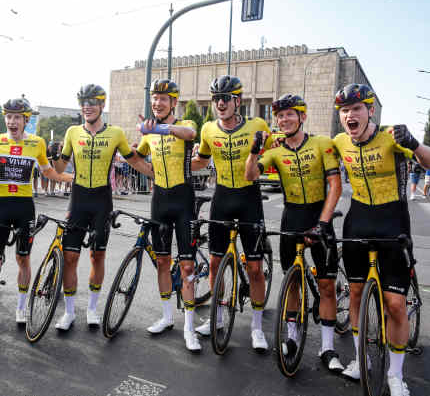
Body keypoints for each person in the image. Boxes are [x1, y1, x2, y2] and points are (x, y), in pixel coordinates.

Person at [332, 83, 430, 396]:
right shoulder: (339, 142)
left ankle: (395, 375)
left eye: (356, 108)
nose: (349, 115)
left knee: (395, 304)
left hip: (393, 223)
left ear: (370, 110)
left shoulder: (391, 137)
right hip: (358, 222)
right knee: (356, 293)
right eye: (344, 110)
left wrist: (414, 144)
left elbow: (428, 161)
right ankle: (361, 359)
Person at [245, 94, 344, 371]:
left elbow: (335, 186)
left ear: (303, 117)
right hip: (291, 218)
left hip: (319, 217)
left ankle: (327, 347)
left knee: (326, 285)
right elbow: (250, 175)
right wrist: (254, 150)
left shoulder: (322, 144)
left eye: (290, 114)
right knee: (292, 284)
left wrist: (323, 223)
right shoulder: (276, 151)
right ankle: (292, 337)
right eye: (280, 115)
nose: (284, 119)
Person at [52, 84, 153, 330]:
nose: (87, 107)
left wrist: (157, 176)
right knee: (70, 257)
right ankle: (69, 312)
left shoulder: (115, 133)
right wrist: (53, 156)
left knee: (97, 256)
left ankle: (92, 309)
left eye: (92, 102)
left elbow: (134, 161)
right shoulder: (73, 132)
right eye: (83, 102)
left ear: (102, 105)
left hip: (101, 201)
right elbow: (59, 169)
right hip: (78, 199)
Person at [0, 98, 73, 330]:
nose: (12, 121)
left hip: (24, 207)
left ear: (25, 120)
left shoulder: (37, 143)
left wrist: (74, 178)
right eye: (8, 117)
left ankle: (20, 308)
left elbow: (48, 172)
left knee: (23, 259)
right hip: (1, 206)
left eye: (17, 117)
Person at [191, 75, 272, 352]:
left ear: (238, 101)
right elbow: (201, 160)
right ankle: (218, 317)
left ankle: (257, 327)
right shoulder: (208, 129)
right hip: (223, 197)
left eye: (226, 98)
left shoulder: (257, 125)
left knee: (255, 268)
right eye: (216, 98)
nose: (220, 103)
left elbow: (276, 153)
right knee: (215, 263)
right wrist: (179, 161)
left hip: (249, 198)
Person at [136, 79, 200, 351]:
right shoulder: (148, 134)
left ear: (174, 102)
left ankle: (189, 328)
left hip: (184, 201)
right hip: (160, 201)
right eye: (154, 98)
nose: (157, 103)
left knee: (187, 267)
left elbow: (190, 134)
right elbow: (136, 157)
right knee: (162, 262)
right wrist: (148, 170)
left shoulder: (185, 124)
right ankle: (166, 317)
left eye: (163, 98)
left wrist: (159, 128)